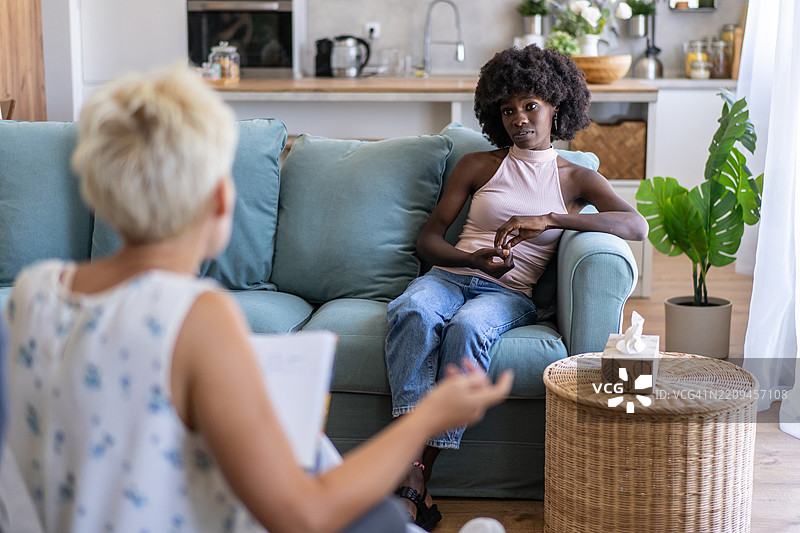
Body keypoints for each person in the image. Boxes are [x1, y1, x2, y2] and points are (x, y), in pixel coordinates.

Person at [2, 65, 514, 533]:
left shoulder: (32, 292)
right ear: (221, 199)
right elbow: (303, 514)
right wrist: (429, 416)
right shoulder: (196, 316)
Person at [386, 44, 648, 529]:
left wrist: (552, 217)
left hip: (508, 294)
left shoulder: (575, 177)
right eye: (507, 109)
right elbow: (427, 240)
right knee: (413, 310)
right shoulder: (478, 165)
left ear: (556, 106)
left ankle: (414, 478)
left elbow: (636, 226)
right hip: (450, 275)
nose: (519, 118)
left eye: (531, 105)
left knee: (468, 328)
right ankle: (409, 470)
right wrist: (471, 258)